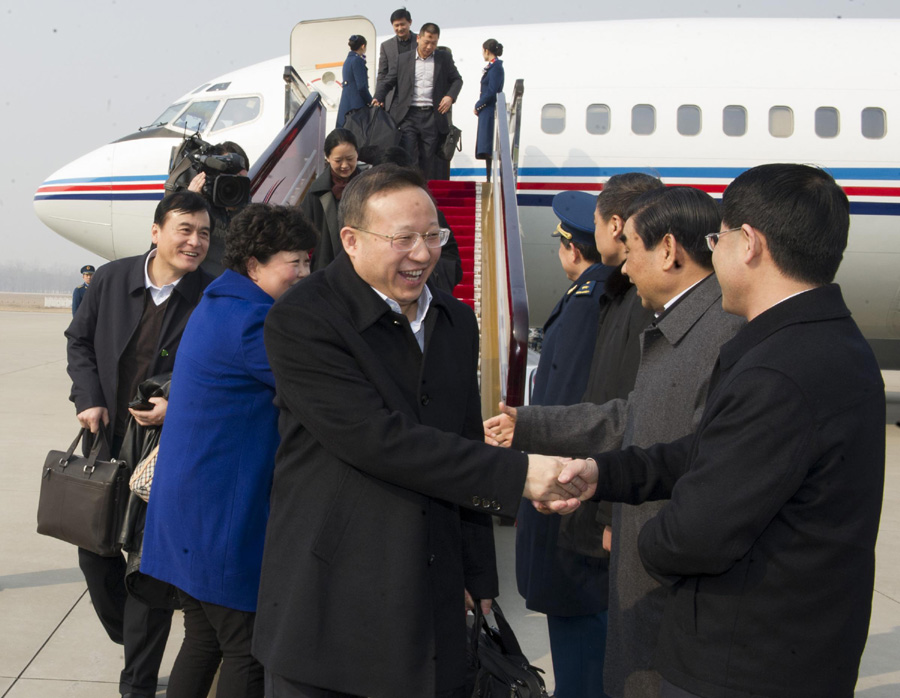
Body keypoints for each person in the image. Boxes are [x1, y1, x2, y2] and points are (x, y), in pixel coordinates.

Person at [554, 164, 885, 698]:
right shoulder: (832, 343)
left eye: (719, 237)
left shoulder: (779, 370)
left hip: (742, 664)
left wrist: (645, 540)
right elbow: (710, 451)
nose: (714, 251)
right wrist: (603, 474)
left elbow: (694, 534)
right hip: (801, 652)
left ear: (748, 244)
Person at [252, 164, 577, 698]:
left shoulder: (454, 320)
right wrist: (520, 473)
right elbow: (375, 439)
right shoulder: (302, 319)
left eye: (433, 235)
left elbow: (465, 435)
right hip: (331, 596)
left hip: (432, 592)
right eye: (403, 239)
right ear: (351, 240)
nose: (423, 254)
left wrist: (478, 574)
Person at [491, 187, 744, 698]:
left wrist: (629, 533)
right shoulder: (678, 323)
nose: (624, 270)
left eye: (631, 251)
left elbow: (694, 463)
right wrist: (535, 427)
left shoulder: (716, 335)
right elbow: (631, 416)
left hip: (663, 561)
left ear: (668, 250)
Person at [140, 204, 318, 698]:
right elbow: (318, 396)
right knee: (247, 650)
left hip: (189, 511)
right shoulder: (254, 322)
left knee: (203, 640)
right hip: (220, 518)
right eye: (295, 263)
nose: (305, 274)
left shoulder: (219, 300)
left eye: (308, 262)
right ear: (255, 264)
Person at [65, 190, 213, 698]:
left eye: (204, 233)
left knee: (146, 570)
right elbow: (79, 341)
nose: (195, 242)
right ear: (156, 232)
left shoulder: (209, 295)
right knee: (96, 557)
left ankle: (138, 685)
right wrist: (88, 398)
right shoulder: (110, 279)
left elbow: (215, 371)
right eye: (185, 230)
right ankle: (131, 642)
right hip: (105, 441)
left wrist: (180, 406)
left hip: (165, 452)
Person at [514, 191, 612, 698]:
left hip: (568, 488)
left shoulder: (583, 306)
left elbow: (564, 398)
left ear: (571, 249)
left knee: (580, 645)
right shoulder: (603, 297)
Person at [373, 22, 463, 178]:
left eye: (434, 43)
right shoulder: (403, 59)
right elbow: (389, 80)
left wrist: (450, 96)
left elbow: (457, 80)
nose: (429, 46)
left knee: (428, 158)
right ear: (418, 38)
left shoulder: (444, 58)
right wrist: (377, 97)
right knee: (409, 156)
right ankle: (411, 190)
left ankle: (424, 191)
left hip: (432, 116)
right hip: (408, 115)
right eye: (426, 41)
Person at [300, 128, 363, 272]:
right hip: (327, 267)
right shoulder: (316, 192)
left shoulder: (369, 187)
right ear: (327, 157)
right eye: (338, 160)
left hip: (362, 263)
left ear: (357, 154)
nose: (345, 165)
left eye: (350, 159)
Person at [185, 140, 251, 277]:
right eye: (228, 176)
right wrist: (187, 203)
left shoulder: (249, 213)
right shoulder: (195, 206)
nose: (232, 185)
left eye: (240, 178)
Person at [474, 39, 504, 181]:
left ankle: (489, 178)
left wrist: (478, 104)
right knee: (485, 147)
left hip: (489, 109)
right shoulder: (492, 66)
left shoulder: (496, 67)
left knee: (487, 145)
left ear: (486, 50)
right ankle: (487, 177)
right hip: (486, 110)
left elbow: (492, 90)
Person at [375, 8, 417, 112]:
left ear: (410, 22)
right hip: (394, 98)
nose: (400, 28)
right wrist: (379, 97)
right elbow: (382, 74)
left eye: (402, 24)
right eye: (396, 25)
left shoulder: (420, 41)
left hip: (415, 97)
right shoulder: (386, 46)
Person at [337, 35, 373, 128]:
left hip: (347, 106)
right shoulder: (358, 60)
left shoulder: (348, 60)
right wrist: (370, 101)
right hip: (357, 107)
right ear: (363, 46)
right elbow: (361, 86)